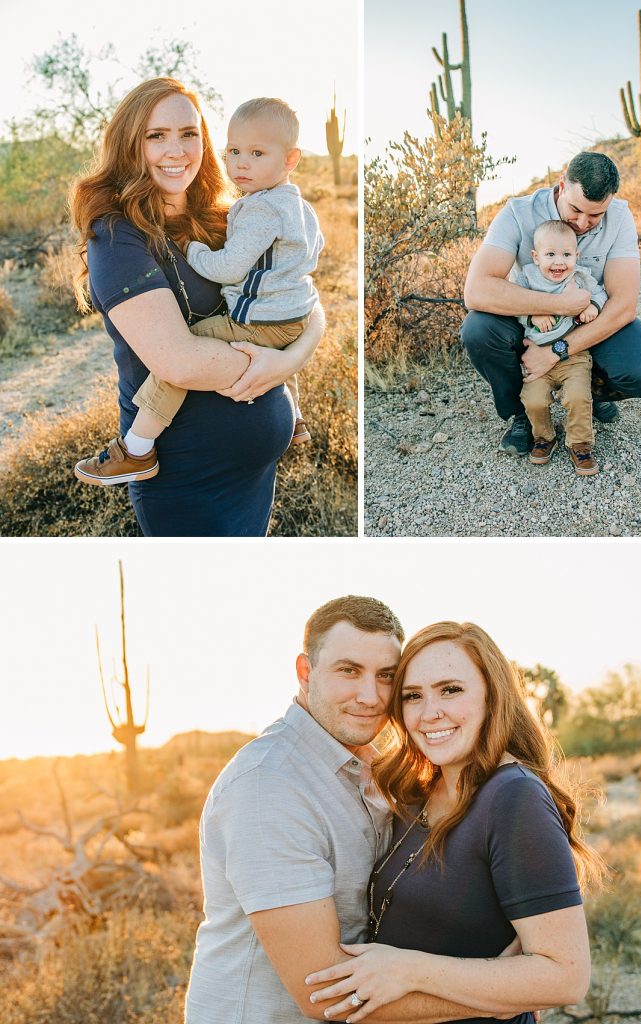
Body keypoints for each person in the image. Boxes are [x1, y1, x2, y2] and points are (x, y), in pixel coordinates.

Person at [185, 599, 530, 1024]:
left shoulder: (372, 768)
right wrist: (500, 995)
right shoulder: (269, 786)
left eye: (386, 676)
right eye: (348, 671)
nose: (370, 697)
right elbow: (326, 995)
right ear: (305, 672)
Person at [305, 621, 605, 1024]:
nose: (431, 713)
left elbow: (566, 976)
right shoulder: (418, 794)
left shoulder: (514, 797)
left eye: (451, 689)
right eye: (413, 696)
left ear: (491, 696)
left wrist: (411, 970)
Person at [69, 78, 324, 535]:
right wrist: (274, 367)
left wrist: (289, 360)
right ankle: (136, 450)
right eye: (156, 136)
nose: (177, 150)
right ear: (131, 145)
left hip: (254, 479)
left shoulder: (224, 216)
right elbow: (179, 362)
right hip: (185, 477)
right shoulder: (117, 236)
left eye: (189, 133)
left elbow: (306, 297)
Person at [461, 151, 641, 457]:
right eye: (575, 209)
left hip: (589, 322)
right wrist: (559, 305)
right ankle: (521, 413)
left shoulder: (621, 217)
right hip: (533, 323)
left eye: (595, 215)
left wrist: (555, 352)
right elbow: (476, 290)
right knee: (478, 329)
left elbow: (623, 304)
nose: (583, 223)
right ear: (561, 185)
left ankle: (589, 393)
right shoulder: (518, 212)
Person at [517, 220, 608, 475]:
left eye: (567, 255)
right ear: (536, 257)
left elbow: (601, 295)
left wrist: (593, 307)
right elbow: (510, 307)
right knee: (533, 400)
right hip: (536, 357)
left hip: (573, 355)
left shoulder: (579, 277)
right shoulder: (527, 277)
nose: (559, 262)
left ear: (576, 256)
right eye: (550, 254)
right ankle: (545, 437)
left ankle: (580, 443)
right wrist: (532, 315)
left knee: (577, 396)